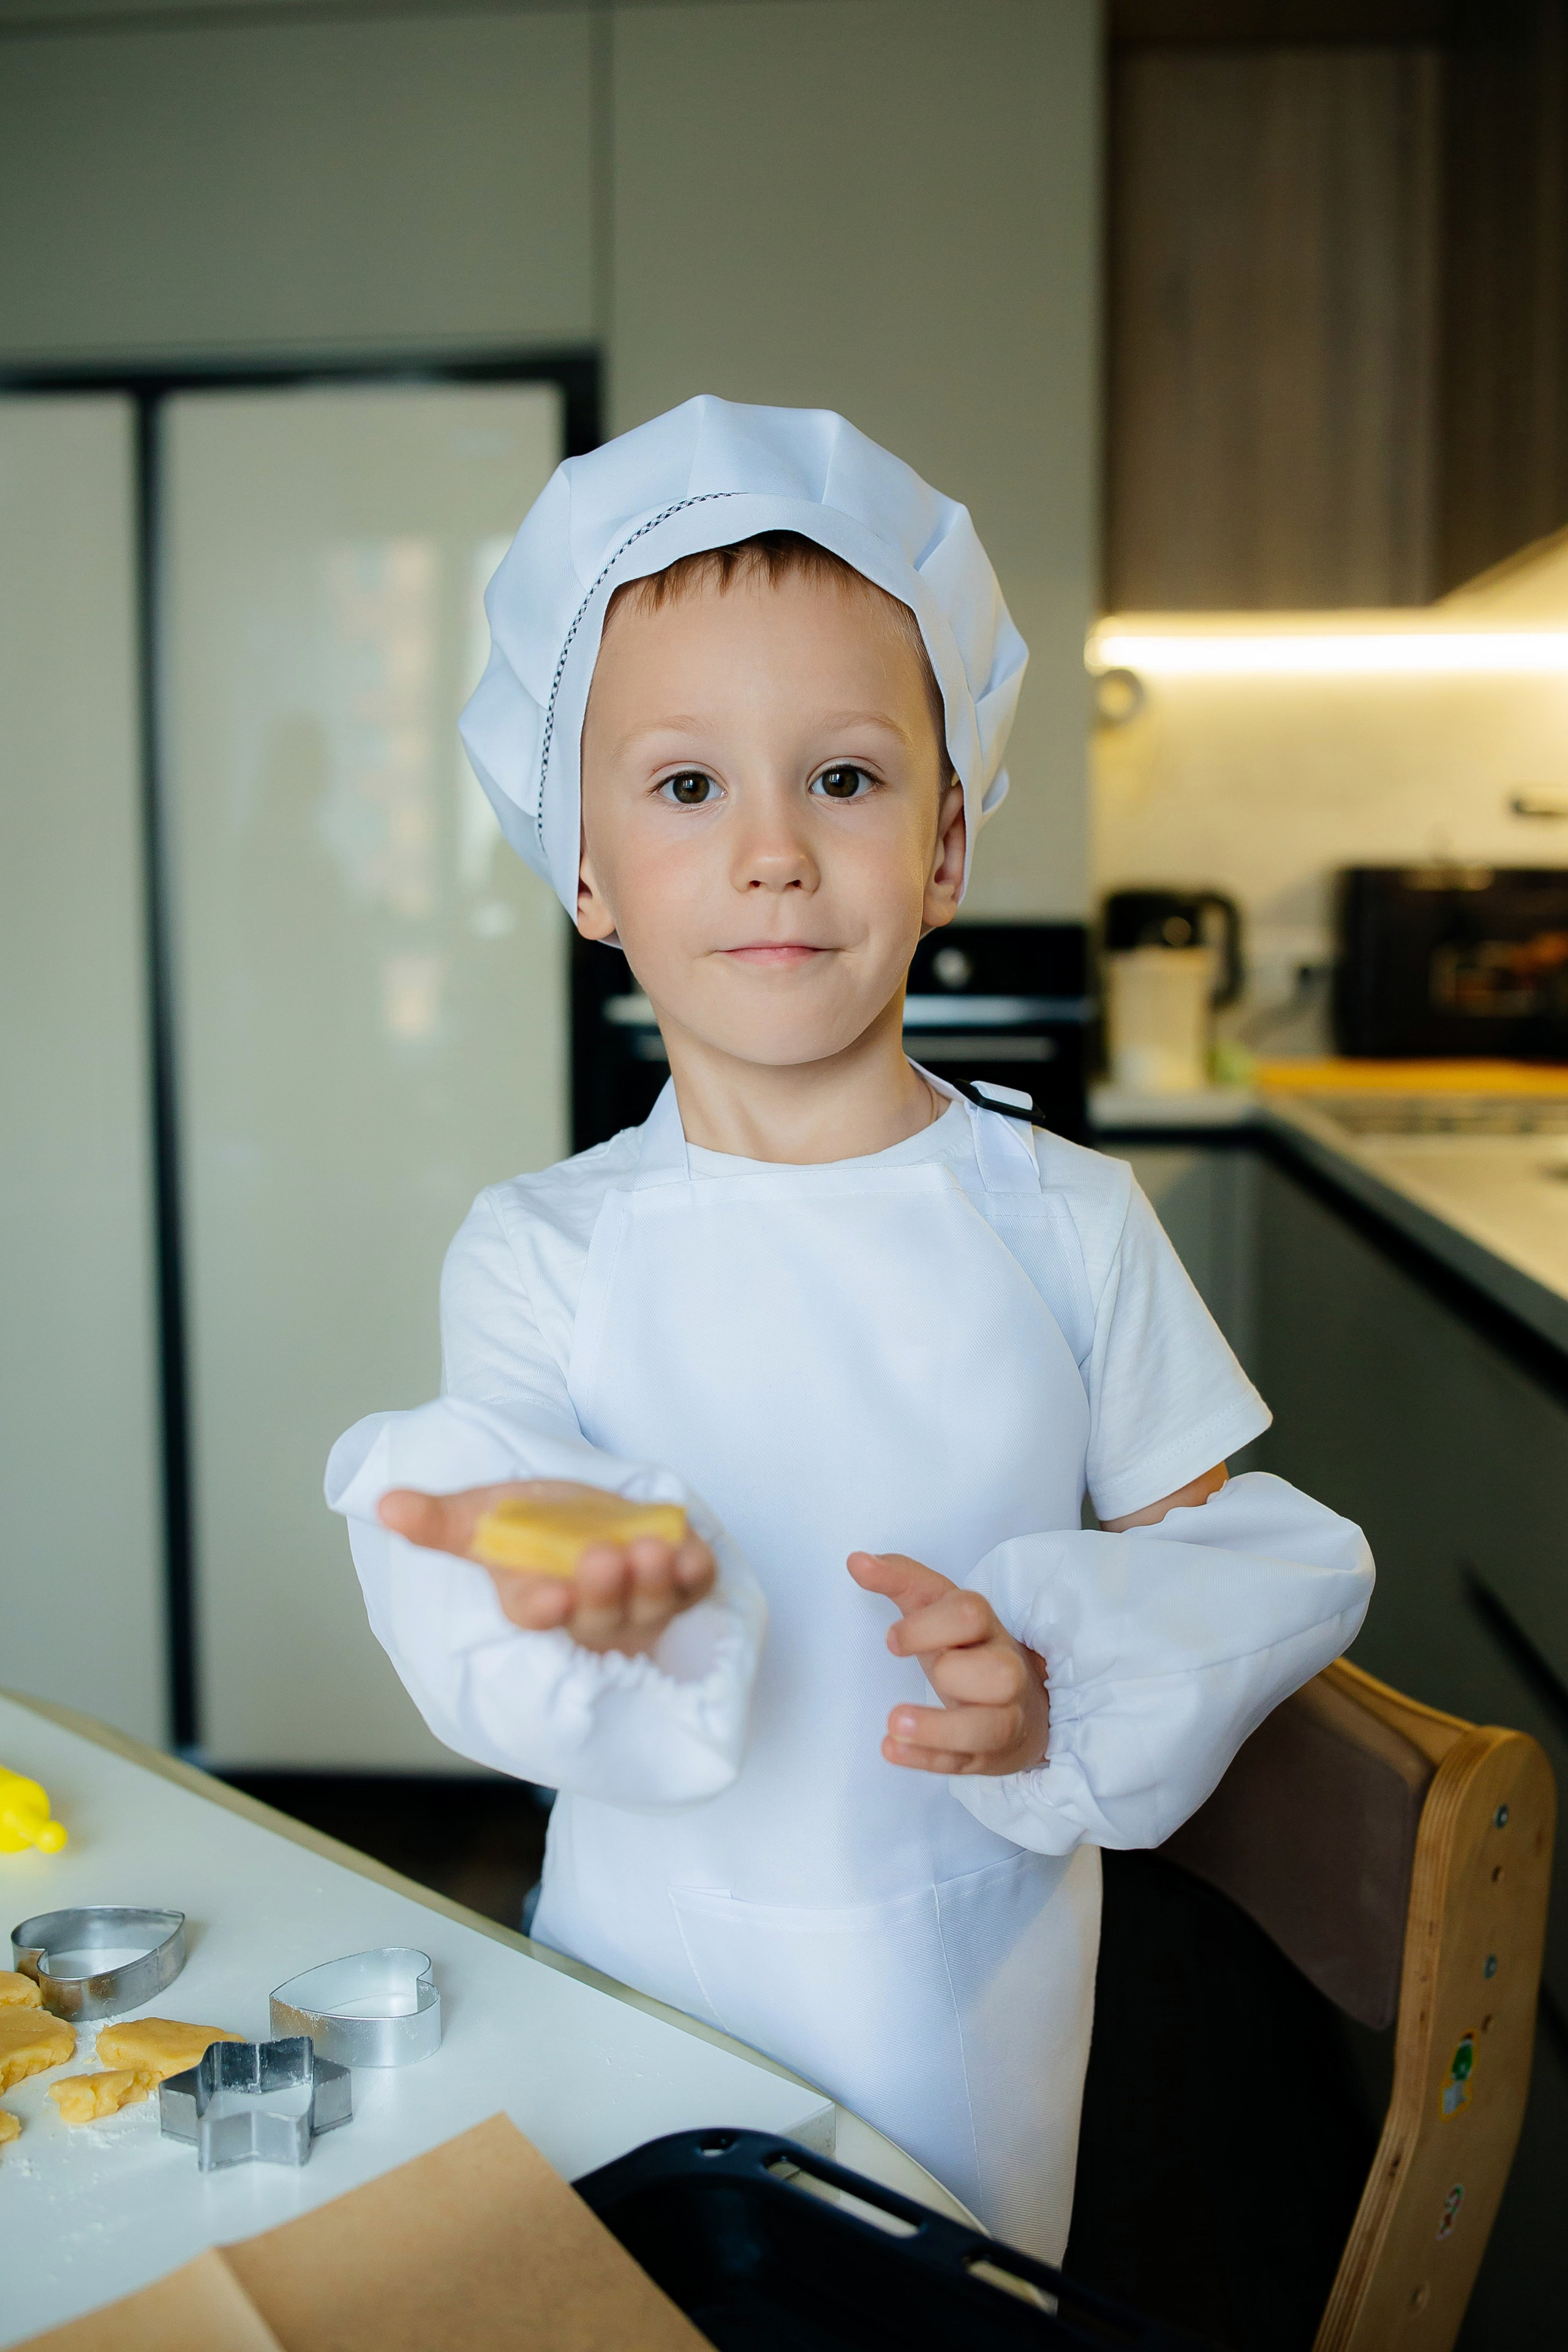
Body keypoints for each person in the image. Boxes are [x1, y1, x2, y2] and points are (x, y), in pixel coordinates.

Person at [325, 396, 1373, 2261]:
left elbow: (1220, 1557)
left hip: (968, 2009)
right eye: (683, 786)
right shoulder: (539, 1252)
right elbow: (510, 1548)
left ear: (949, 842)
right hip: (643, 1982)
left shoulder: (1067, 1220)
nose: (773, 853)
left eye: (845, 777)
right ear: (583, 874)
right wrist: (576, 1594)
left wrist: (1064, 1678)